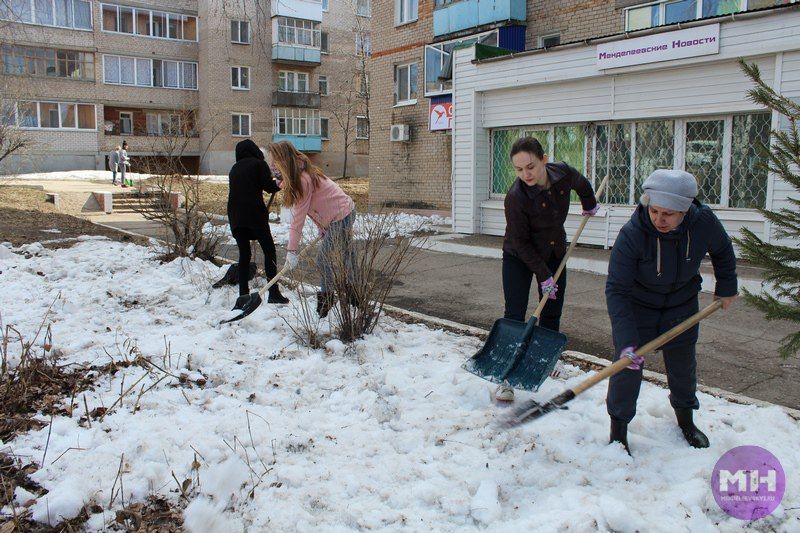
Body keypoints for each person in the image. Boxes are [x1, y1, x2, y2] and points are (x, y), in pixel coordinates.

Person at [605, 169, 738, 455]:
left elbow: (723, 250)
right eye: (654, 210)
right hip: (639, 309)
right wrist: (627, 341)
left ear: (685, 210)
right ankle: (618, 431)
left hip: (682, 306)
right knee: (626, 370)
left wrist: (727, 287)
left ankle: (686, 421)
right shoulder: (633, 234)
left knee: (682, 368)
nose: (659, 219)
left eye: (669, 213)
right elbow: (617, 290)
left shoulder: (702, 222)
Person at [497, 136, 600, 402]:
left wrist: (589, 203)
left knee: (552, 310)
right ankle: (506, 375)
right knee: (515, 313)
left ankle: (545, 358)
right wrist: (543, 275)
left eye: (530, 166)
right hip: (519, 255)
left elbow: (581, 183)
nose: (525, 174)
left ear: (544, 159)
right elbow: (520, 242)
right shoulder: (515, 197)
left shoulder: (562, 172)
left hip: (554, 251)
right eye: (519, 169)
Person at [268, 141, 356, 318]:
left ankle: (328, 297)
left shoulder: (302, 180)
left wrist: (291, 251)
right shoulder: (298, 174)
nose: (272, 164)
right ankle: (354, 294)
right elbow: (317, 204)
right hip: (335, 216)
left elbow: (298, 219)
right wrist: (322, 226)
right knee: (347, 256)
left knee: (323, 258)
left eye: (275, 160)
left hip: (342, 214)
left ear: (285, 160)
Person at [227, 139, 288, 309]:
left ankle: (243, 295)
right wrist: (280, 181)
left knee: (244, 255)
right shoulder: (258, 164)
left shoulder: (234, 168)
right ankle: (273, 292)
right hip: (254, 216)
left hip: (235, 217)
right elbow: (269, 187)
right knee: (269, 252)